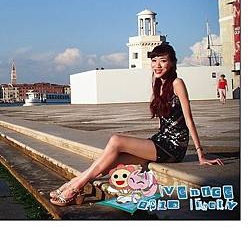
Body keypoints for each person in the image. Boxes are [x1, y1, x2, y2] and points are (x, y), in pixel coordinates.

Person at [49, 43, 224, 207]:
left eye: (163, 61)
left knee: (116, 140)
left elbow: (188, 119)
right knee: (110, 161)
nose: (157, 65)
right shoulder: (158, 84)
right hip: (161, 141)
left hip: (173, 146)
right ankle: (72, 184)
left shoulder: (177, 83)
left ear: (172, 63)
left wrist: (201, 154)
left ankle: (74, 188)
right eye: (154, 61)